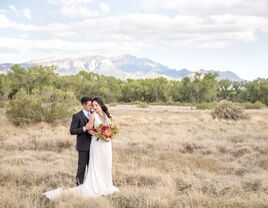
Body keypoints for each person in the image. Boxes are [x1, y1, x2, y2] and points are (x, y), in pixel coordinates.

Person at [43, 97, 119, 200]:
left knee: (105, 164)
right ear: (84, 105)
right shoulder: (90, 115)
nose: (94, 107)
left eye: (96, 105)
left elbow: (112, 127)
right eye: (92, 105)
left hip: (106, 144)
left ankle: (106, 183)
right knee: (87, 167)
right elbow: (88, 130)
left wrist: (109, 133)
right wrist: (100, 134)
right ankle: (82, 185)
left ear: (101, 104)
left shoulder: (107, 115)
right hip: (94, 144)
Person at [70, 96, 93, 186]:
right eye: (89, 105)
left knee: (92, 167)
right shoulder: (77, 116)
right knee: (82, 167)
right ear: (83, 105)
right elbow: (72, 131)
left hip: (94, 145)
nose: (91, 107)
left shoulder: (93, 114)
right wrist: (84, 128)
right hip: (83, 146)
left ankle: (91, 184)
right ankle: (79, 185)